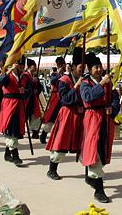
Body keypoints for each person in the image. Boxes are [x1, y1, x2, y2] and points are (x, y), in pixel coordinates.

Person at [80, 52, 120, 204]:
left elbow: (115, 99)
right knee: (93, 149)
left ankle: (90, 175)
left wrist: (112, 108)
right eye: (96, 67)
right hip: (92, 119)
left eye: (100, 66)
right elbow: (88, 97)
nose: (99, 69)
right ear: (89, 69)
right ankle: (99, 189)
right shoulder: (85, 82)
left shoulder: (109, 83)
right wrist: (102, 84)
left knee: (102, 150)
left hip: (105, 119)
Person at [45, 49, 84, 180]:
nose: (82, 69)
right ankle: (52, 169)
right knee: (61, 141)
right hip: (67, 114)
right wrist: (76, 87)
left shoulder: (85, 80)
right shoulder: (64, 80)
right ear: (73, 67)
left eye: (84, 67)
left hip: (80, 115)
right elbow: (65, 99)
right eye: (80, 67)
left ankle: (90, 173)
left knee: (85, 143)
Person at [0, 57, 31, 166]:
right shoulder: (8, 75)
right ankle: (15, 155)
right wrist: (10, 70)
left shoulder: (24, 77)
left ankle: (7, 154)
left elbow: (30, 90)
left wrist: (24, 91)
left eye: (21, 66)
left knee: (15, 130)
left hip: (20, 105)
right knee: (10, 128)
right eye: (18, 66)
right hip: (9, 105)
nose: (19, 69)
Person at [40, 56, 65, 143]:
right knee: (51, 118)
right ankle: (44, 134)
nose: (62, 66)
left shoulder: (65, 74)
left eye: (63, 64)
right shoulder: (54, 74)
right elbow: (53, 81)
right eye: (60, 64)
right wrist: (58, 73)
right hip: (55, 98)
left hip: (63, 98)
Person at [24, 59, 44, 139]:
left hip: (33, 99)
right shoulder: (25, 76)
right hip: (27, 99)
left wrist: (37, 90)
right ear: (29, 66)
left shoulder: (35, 76)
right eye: (34, 65)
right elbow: (24, 87)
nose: (35, 67)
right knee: (24, 116)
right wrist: (32, 86)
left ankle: (35, 132)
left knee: (35, 116)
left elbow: (39, 87)